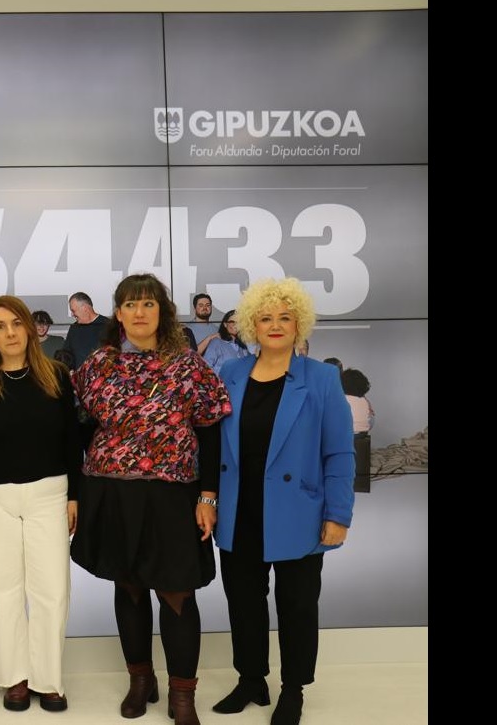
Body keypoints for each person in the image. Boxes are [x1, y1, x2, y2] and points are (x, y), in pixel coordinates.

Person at [70, 273, 231, 725]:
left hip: (173, 495)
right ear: (117, 313)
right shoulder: (98, 364)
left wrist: (209, 497)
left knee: (177, 592)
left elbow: (210, 428)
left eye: (148, 304)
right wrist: (77, 490)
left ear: (163, 311)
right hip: (112, 492)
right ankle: (141, 680)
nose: (139, 313)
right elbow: (80, 428)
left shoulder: (187, 365)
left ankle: (183, 694)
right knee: (130, 586)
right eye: (129, 305)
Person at [212, 278, 355, 725]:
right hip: (239, 513)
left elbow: (340, 451)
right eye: (266, 317)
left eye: (285, 317)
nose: (275, 325)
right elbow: (214, 445)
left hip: (299, 514)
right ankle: (251, 679)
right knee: (243, 602)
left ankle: (293, 690)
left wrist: (338, 514)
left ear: (299, 324)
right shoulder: (230, 374)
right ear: (252, 325)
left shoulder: (322, 378)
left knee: (296, 607)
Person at [0, 296, 81, 713]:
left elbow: (71, 442)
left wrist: (75, 494)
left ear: (29, 328)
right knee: (3, 590)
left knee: (52, 589)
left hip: (50, 493)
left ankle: (49, 679)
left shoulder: (57, 378)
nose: (9, 333)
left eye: (15, 324)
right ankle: (16, 678)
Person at [65, 292, 108, 369]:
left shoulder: (109, 326)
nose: (72, 314)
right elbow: (66, 355)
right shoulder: (74, 329)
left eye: (73, 310)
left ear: (85, 308)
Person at [202, 311, 252, 375]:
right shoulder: (216, 343)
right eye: (232, 322)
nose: (235, 324)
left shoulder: (243, 347)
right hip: (220, 384)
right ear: (225, 324)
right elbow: (205, 367)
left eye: (239, 322)